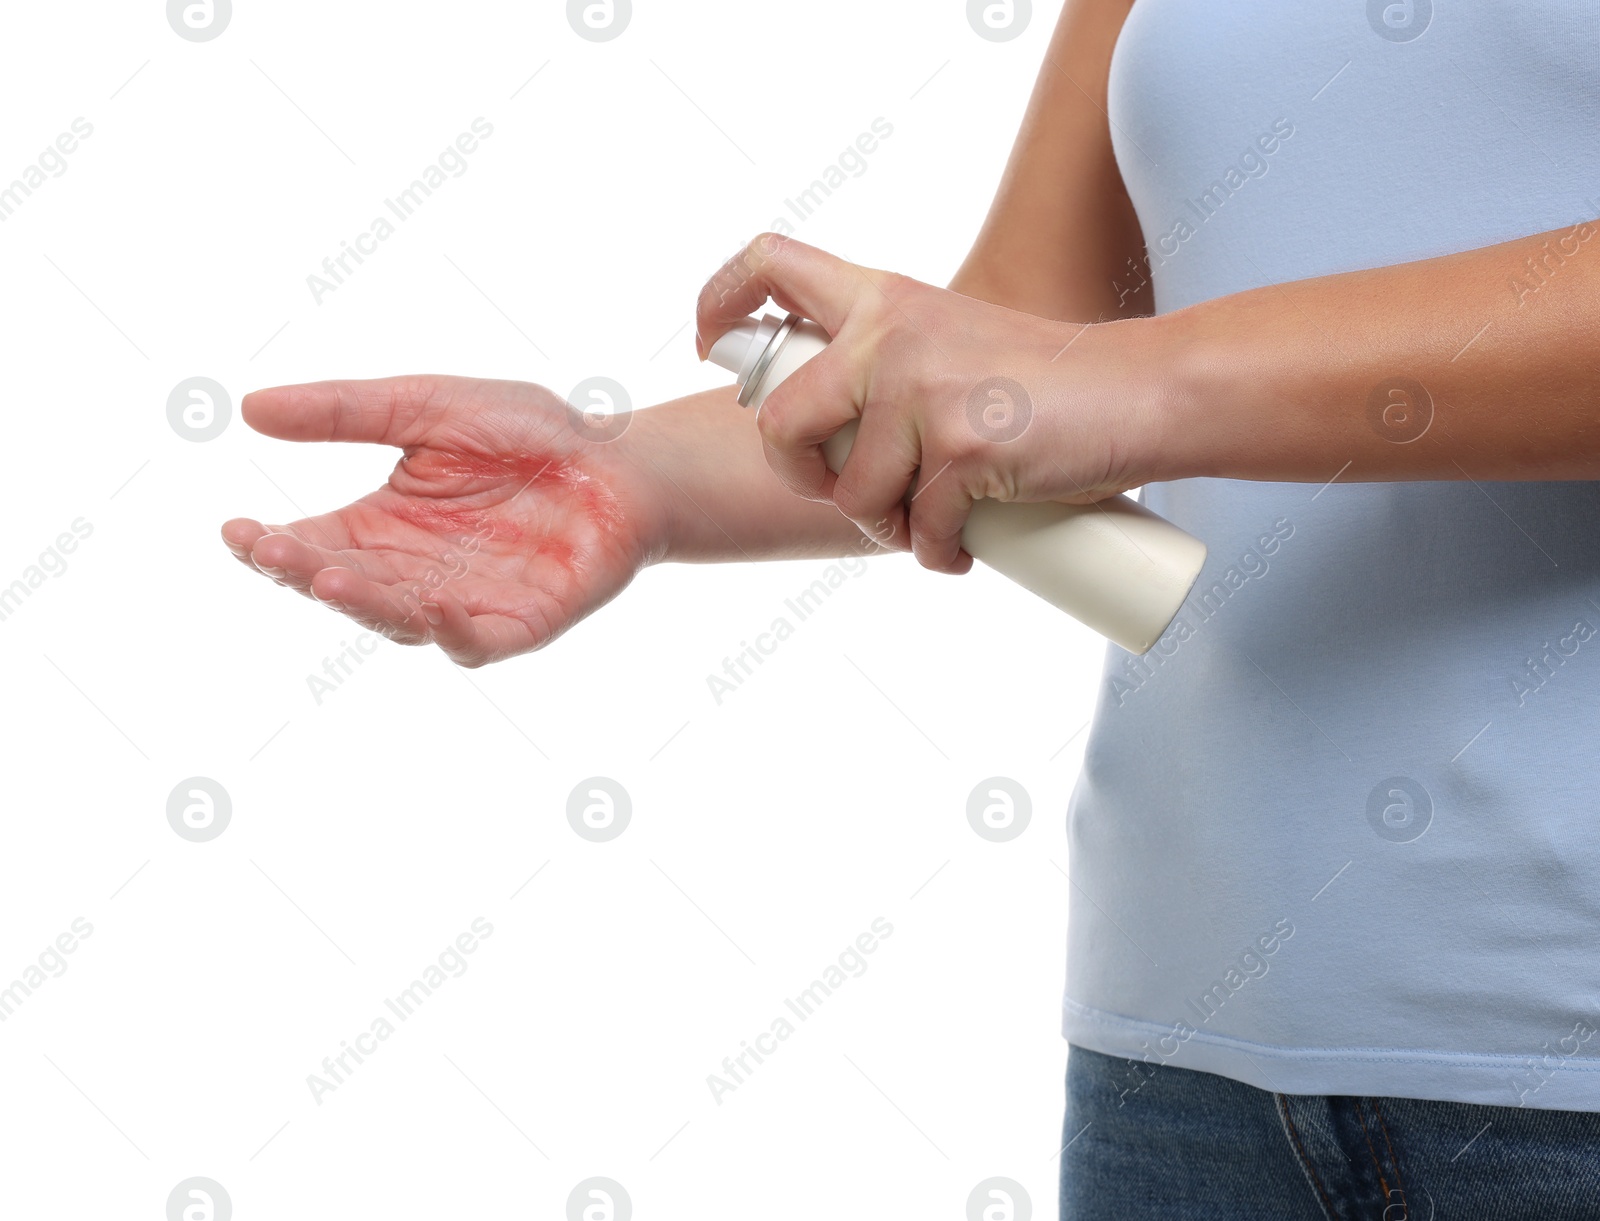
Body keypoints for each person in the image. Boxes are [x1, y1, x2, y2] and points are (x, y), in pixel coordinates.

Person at [222, 1, 1600, 1215]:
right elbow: (1029, 333)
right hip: (1193, 1054)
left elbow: (1093, 376)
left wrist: (1138, 384)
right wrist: (626, 472)